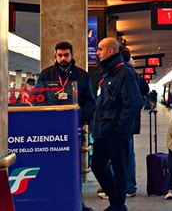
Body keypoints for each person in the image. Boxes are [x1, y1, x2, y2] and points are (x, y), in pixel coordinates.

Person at [36, 41, 96, 211]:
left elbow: (90, 103)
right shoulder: (46, 75)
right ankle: (53, 200)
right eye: (60, 55)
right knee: (53, 167)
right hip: (51, 131)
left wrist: (79, 119)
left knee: (73, 168)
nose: (63, 58)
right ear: (55, 55)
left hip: (74, 130)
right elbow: (36, 100)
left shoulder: (82, 76)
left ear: (72, 55)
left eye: (66, 55)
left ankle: (77, 202)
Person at [91, 37, 142, 211]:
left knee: (120, 170)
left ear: (110, 51)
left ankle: (117, 205)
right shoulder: (106, 74)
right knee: (97, 165)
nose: (97, 52)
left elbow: (133, 103)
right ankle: (116, 202)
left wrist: (121, 130)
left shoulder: (124, 73)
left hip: (115, 132)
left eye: (99, 49)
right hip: (102, 131)